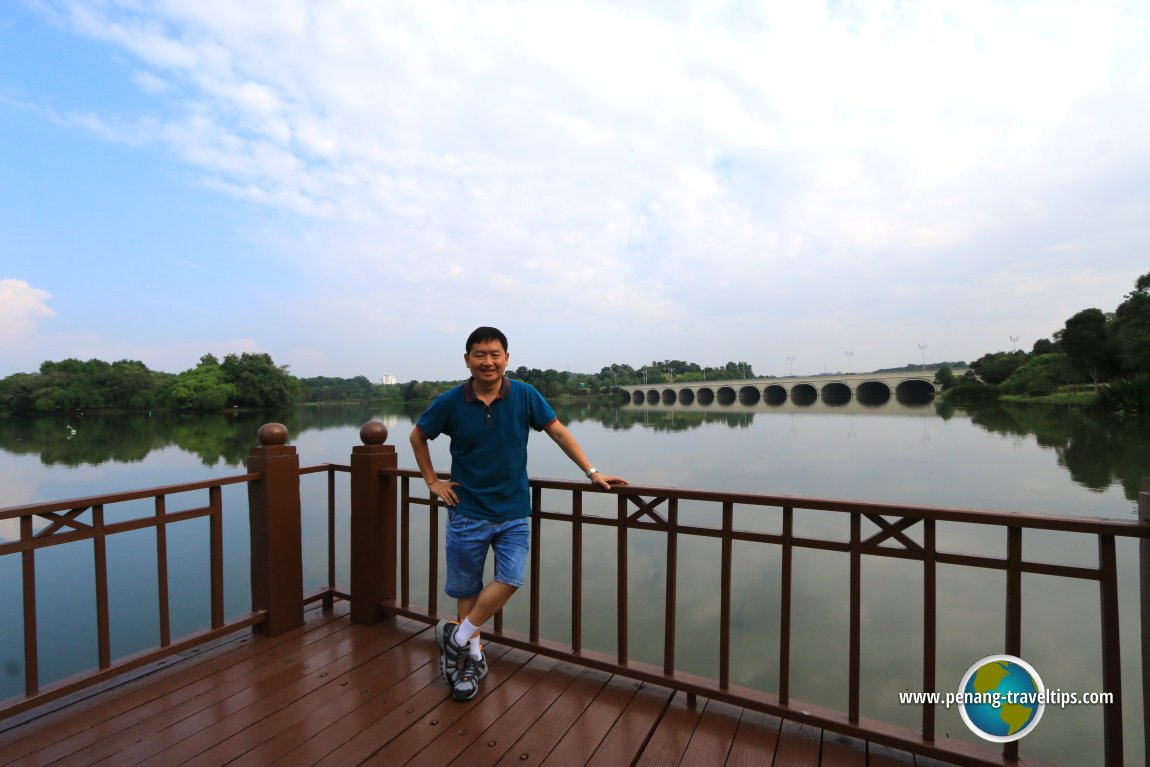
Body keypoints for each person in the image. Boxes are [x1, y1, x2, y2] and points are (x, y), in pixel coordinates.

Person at [409, 326, 627, 701]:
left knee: (510, 578)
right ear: (467, 360)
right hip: (467, 510)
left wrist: (591, 473)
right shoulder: (450, 401)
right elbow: (417, 436)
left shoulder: (525, 395)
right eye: (480, 354)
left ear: (507, 358)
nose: (488, 361)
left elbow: (558, 432)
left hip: (512, 509)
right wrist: (432, 481)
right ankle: (469, 659)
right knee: (467, 590)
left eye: (495, 354)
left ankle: (455, 637)